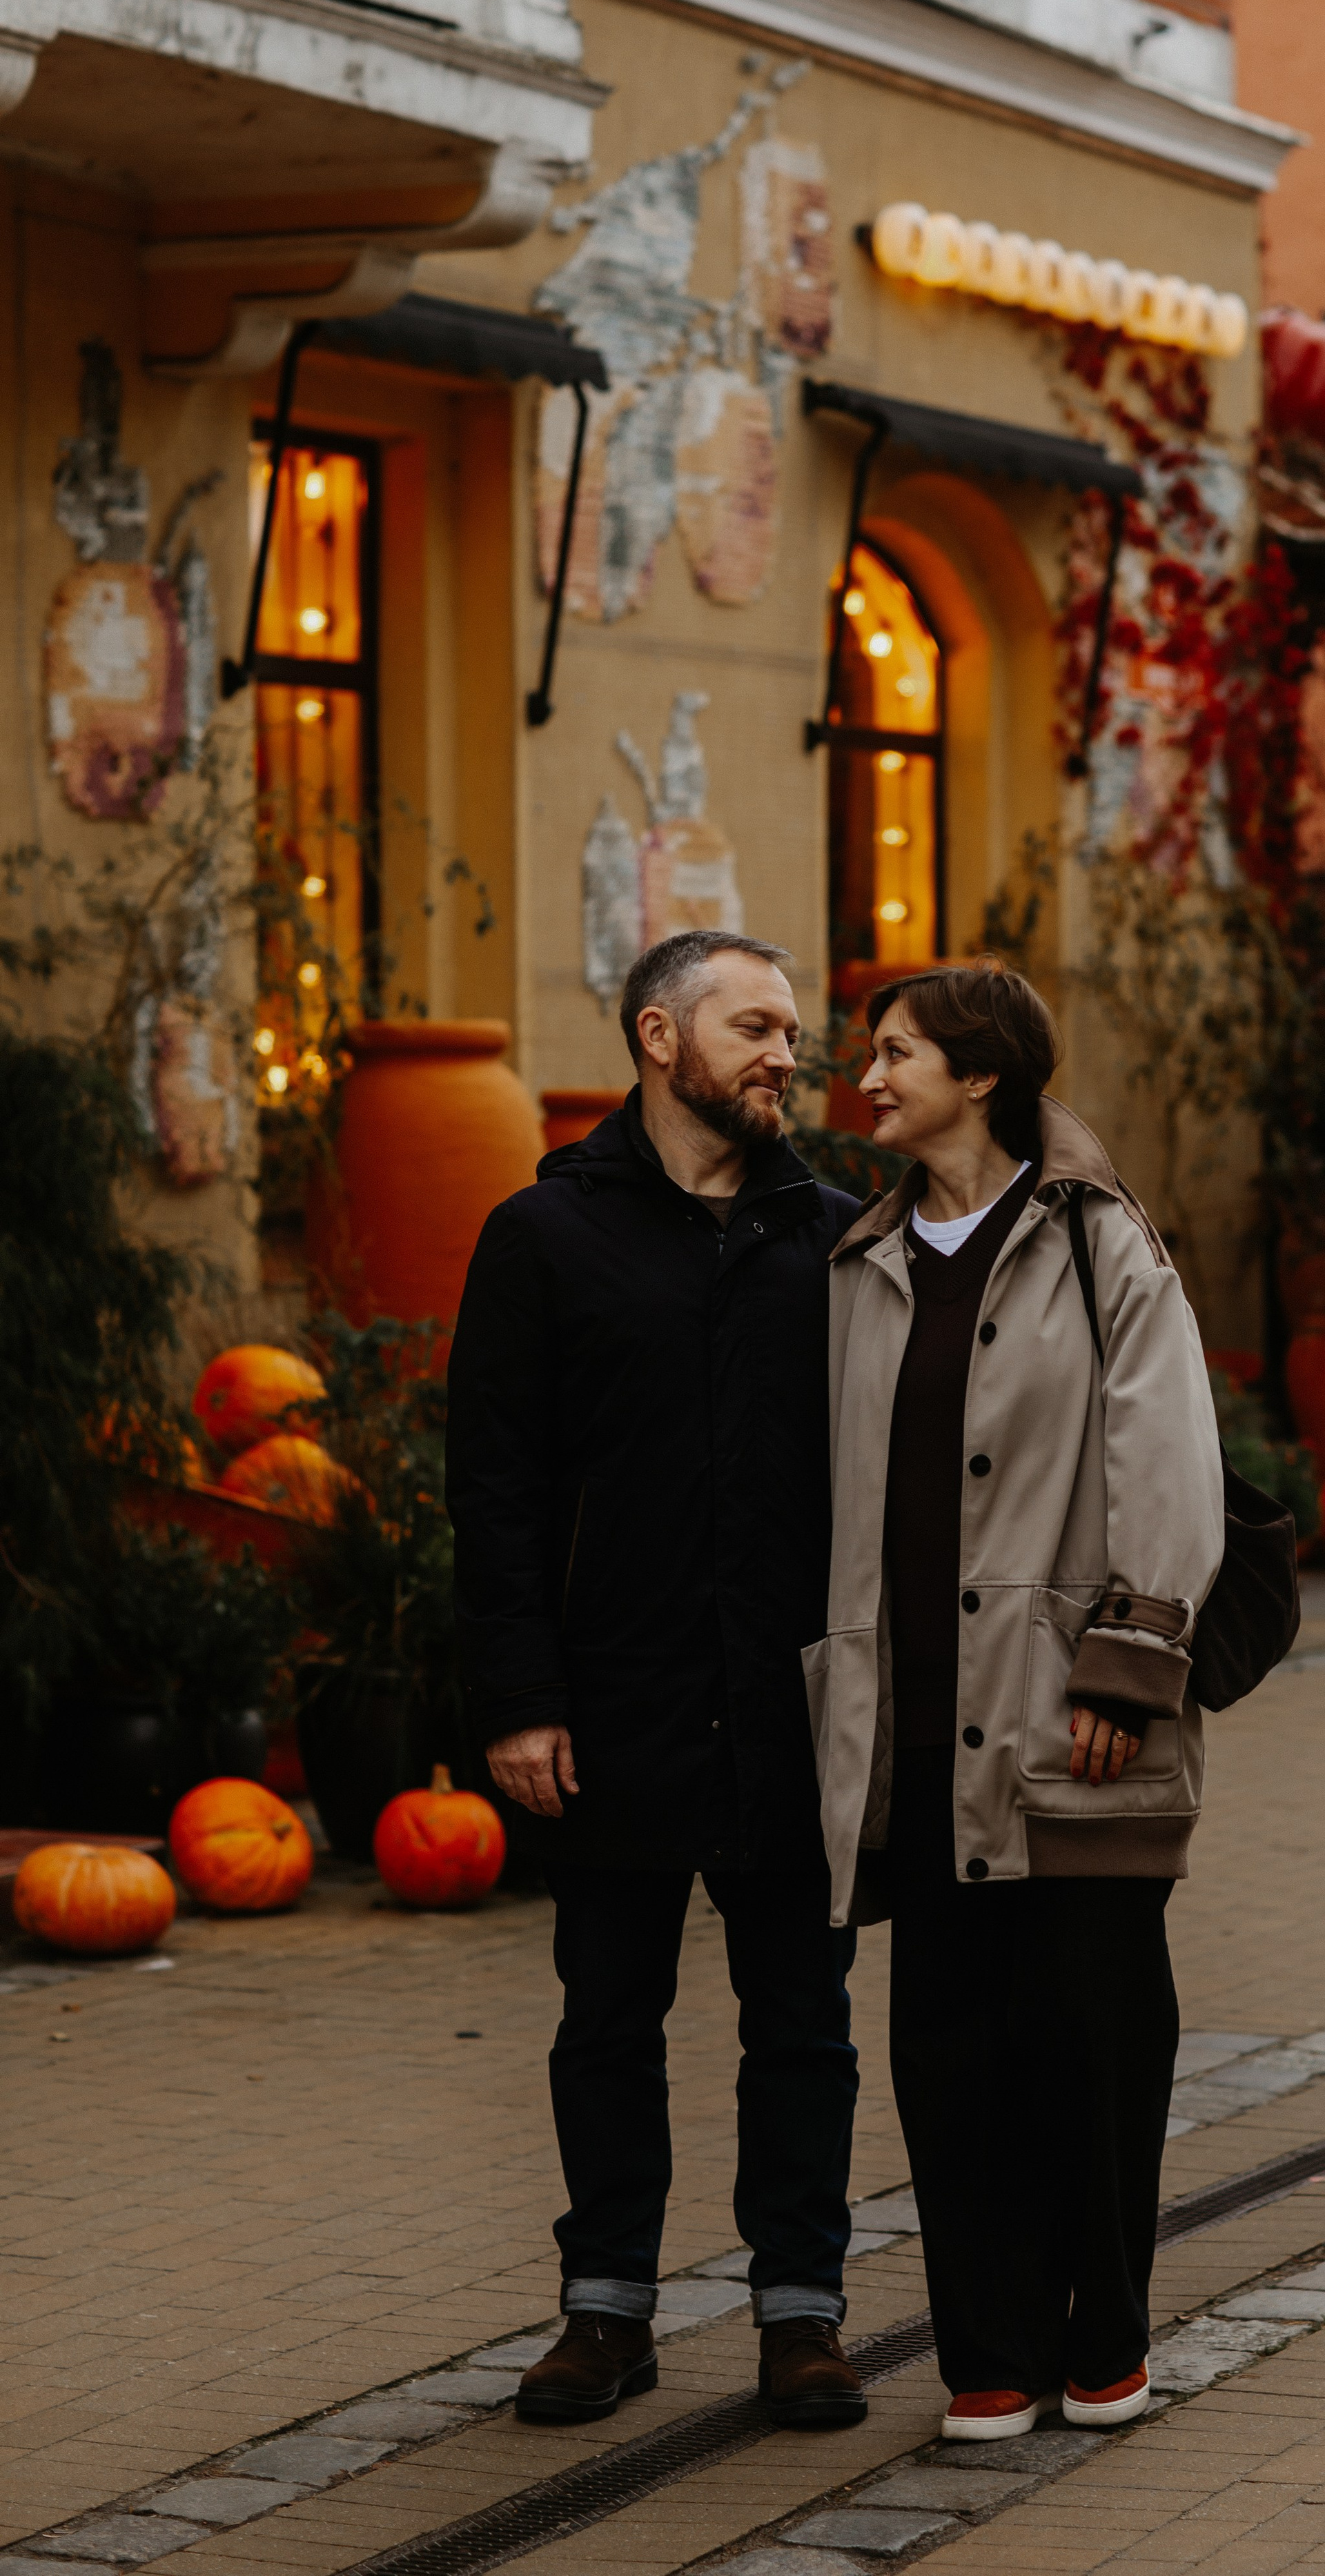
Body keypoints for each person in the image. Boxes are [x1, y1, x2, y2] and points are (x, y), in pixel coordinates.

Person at [445, 930, 868, 2433]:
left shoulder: (834, 1235)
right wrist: (515, 1695)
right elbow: (491, 1487)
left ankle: (800, 2313)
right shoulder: (542, 1239)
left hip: (788, 1702)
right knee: (605, 2017)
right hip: (610, 1704)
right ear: (654, 1038)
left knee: (801, 2023)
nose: (784, 1054)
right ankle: (604, 2311)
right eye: (754, 1026)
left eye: (791, 1032)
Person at [806, 962, 1224, 2441]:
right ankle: (985, 2347)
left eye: (896, 1050)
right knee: (947, 2045)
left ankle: (1103, 2335)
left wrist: (1130, 1661)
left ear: (981, 1075)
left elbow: (1166, 1451)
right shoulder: (858, 1262)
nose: (867, 1074)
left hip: (1070, 1713)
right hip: (914, 1722)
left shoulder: (1091, 1239)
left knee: (1090, 2033)